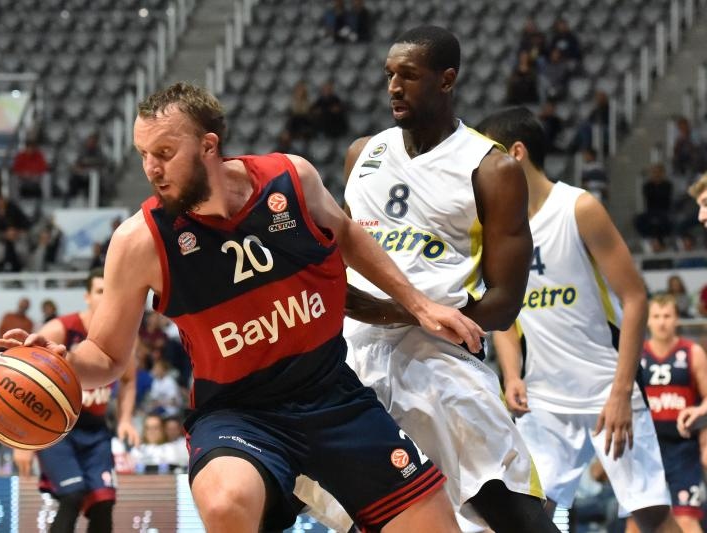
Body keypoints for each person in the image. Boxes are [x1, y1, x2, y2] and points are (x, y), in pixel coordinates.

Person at [0, 81, 488, 533]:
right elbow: (104, 354)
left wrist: (419, 305)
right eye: (144, 154)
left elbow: (350, 235)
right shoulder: (139, 241)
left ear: (209, 146)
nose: (151, 169)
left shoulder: (290, 179)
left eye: (164, 152)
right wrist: (57, 363)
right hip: (238, 414)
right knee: (228, 501)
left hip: (332, 395)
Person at [302, 26, 558, 533]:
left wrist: (409, 312)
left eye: (409, 76)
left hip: (439, 355)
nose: (394, 86)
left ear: (446, 80)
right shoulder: (362, 153)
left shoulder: (491, 168)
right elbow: (345, 255)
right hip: (354, 354)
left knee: (507, 506)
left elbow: (506, 302)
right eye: (389, 75)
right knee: (351, 511)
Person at [479, 106, 679, 531]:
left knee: (651, 516)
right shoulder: (497, 229)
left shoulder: (579, 208)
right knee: (528, 513)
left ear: (516, 153)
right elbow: (505, 314)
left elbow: (635, 298)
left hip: (606, 390)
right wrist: (512, 375)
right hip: (544, 399)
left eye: (488, 156)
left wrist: (622, 392)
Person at [12, 268, 139, 533]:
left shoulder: (124, 334)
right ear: (87, 296)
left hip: (95, 429)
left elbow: (128, 379)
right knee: (72, 495)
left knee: (104, 503)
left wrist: (126, 419)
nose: (106, 298)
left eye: (111, 292)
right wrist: (22, 440)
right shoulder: (59, 329)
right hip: (56, 429)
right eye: (100, 291)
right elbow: (24, 381)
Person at [632, 294, 707, 533]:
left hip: (683, 451)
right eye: (656, 316)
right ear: (648, 321)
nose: (662, 322)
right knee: (636, 525)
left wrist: (698, 409)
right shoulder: (635, 354)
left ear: (676, 319)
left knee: (686, 520)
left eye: (667, 316)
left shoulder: (692, 352)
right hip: (644, 449)